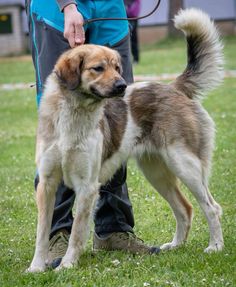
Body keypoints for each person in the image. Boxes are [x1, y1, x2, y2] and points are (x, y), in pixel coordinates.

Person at [25, 0, 159, 268]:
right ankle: (57, 233)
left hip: (111, 8)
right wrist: (68, 6)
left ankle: (113, 228)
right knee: (59, 106)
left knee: (118, 108)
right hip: (56, 8)